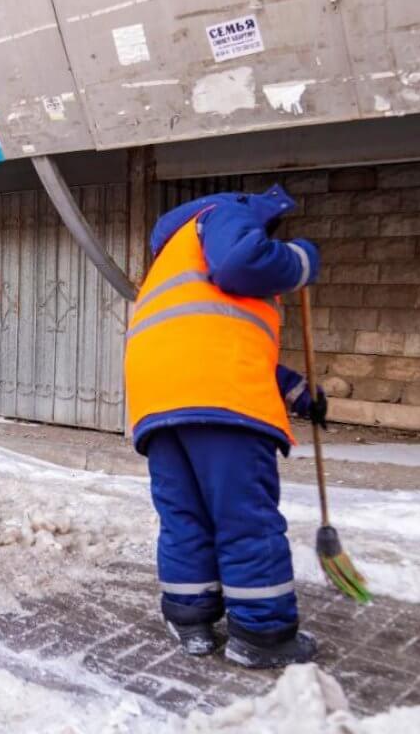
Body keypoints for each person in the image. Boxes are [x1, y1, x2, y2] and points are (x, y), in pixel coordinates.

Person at [124, 185, 327, 670]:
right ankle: (262, 635)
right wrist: (301, 260)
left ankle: (190, 619)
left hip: (160, 399)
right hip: (219, 398)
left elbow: (213, 339)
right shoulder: (225, 214)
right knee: (243, 519)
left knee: (185, 516)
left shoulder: (173, 262)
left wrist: (297, 393)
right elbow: (240, 263)